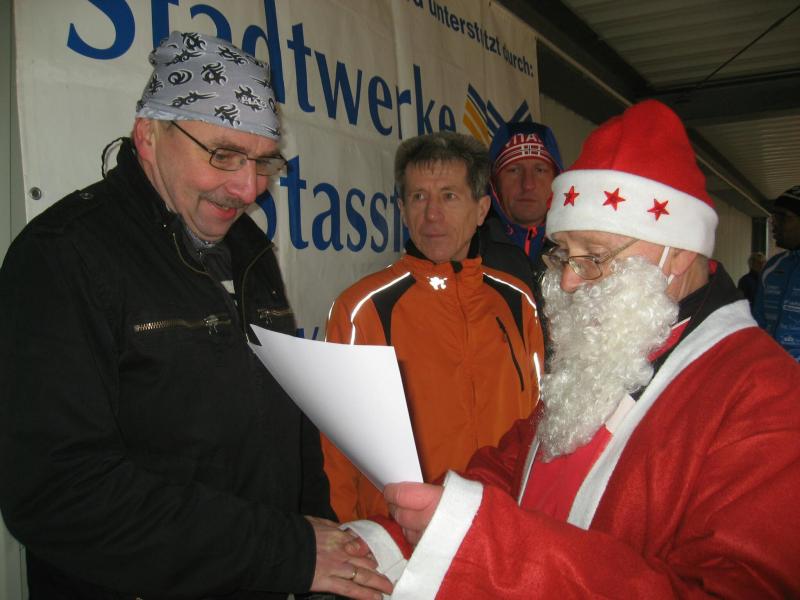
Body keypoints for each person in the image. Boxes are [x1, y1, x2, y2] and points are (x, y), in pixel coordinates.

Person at [344, 100, 800, 597]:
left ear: (679, 255)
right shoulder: (615, 341)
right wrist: (384, 542)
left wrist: (493, 550)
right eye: (563, 253)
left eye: (594, 257)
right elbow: (510, 466)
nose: (567, 281)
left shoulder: (767, 395)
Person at [0, 32, 390, 600]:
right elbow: (57, 492)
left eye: (263, 161)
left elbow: (289, 423)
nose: (249, 188)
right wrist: (286, 551)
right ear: (148, 136)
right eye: (224, 155)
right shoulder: (66, 254)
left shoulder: (248, 248)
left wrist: (317, 545)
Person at [322, 132, 545, 523]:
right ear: (402, 210)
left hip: (502, 525)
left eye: (449, 196)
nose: (432, 215)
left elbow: (539, 423)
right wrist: (351, 539)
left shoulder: (516, 300)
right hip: (404, 534)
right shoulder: (361, 309)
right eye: (418, 197)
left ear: (481, 209)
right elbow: (337, 450)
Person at [480, 121, 564, 357]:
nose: (528, 184)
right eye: (513, 170)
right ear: (494, 182)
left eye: (540, 170)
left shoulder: (582, 250)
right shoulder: (468, 251)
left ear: (557, 179)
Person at [753, 185, 800, 359]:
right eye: (773, 216)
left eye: (782, 217)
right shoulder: (773, 267)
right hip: (772, 368)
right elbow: (758, 322)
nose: (774, 223)